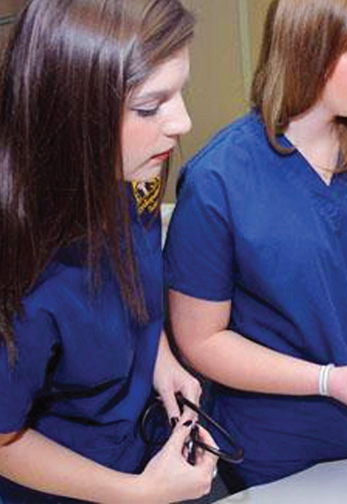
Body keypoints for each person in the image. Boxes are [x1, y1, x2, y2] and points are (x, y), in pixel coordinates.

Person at [165, 0, 347, 489]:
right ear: (310, 51)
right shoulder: (220, 179)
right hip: (279, 451)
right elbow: (201, 341)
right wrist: (327, 381)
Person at [0, 1, 218, 501]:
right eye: (150, 106)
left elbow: (131, 288)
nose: (182, 122)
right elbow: (4, 437)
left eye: (179, 92)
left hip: (135, 447)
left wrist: (161, 363)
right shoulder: (23, 266)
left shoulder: (130, 171)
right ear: (71, 110)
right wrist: (137, 492)